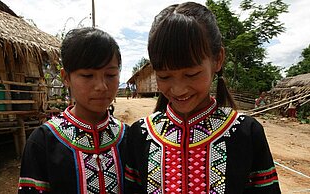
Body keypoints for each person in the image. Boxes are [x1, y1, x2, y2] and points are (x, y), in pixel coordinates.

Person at [124, 2, 281, 193]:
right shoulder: (140, 135)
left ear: (218, 59)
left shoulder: (246, 133)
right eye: (164, 77)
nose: (179, 89)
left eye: (191, 74)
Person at [18, 27, 127, 194]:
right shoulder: (43, 142)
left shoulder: (127, 137)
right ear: (66, 77)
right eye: (88, 76)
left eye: (111, 75)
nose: (101, 86)